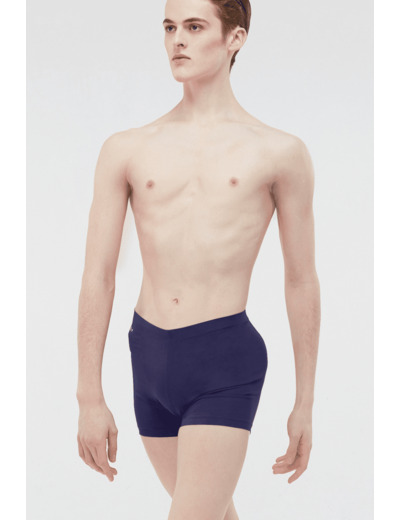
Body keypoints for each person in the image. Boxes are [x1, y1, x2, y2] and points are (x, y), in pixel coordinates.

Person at [76, 0, 321, 518]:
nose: (177, 40)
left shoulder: (279, 153)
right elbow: (98, 276)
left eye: (194, 26)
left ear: (235, 38)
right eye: (169, 27)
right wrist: (88, 396)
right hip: (148, 356)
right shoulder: (125, 149)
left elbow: (301, 280)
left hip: (223, 361)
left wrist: (305, 402)